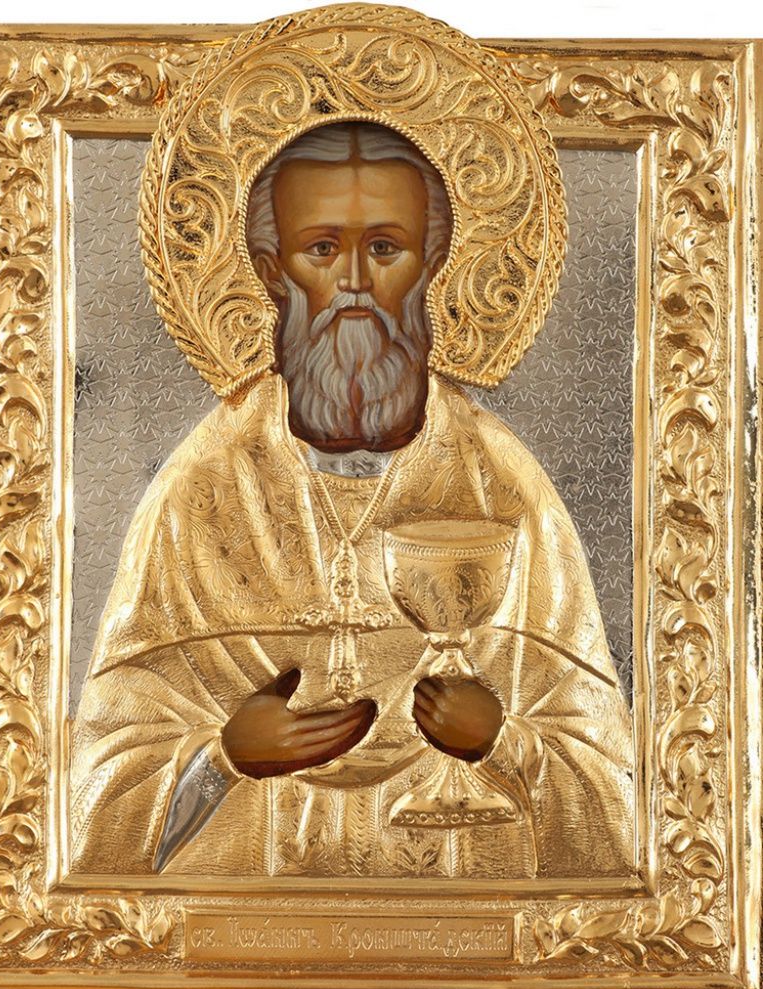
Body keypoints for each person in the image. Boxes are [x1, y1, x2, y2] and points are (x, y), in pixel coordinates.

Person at [70, 123, 634, 878]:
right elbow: (99, 790)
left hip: (462, 922)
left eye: (385, 248)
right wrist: (222, 758)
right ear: (273, 271)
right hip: (240, 929)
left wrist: (502, 742)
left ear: (431, 263)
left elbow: (607, 790)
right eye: (323, 249)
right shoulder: (201, 491)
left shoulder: (500, 486)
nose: (355, 281)